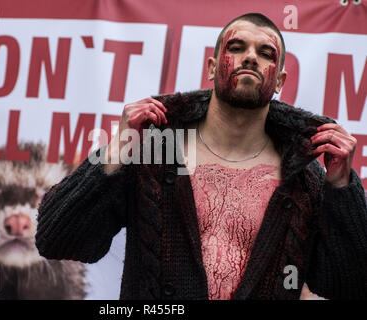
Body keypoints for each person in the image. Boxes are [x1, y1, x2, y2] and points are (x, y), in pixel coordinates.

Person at [35, 13, 367, 300]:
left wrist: (342, 188)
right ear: (211, 67)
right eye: (236, 48)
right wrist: (117, 151)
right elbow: (57, 239)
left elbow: (348, 284)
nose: (250, 58)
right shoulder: (156, 152)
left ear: (279, 79)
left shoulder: (303, 177)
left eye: (265, 53)